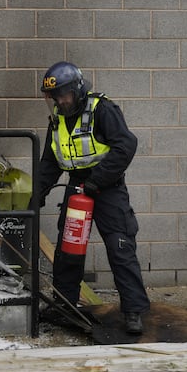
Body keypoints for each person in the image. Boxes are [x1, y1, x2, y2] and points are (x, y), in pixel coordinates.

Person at [36, 61, 149, 334]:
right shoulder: (58, 119)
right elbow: (50, 163)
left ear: (77, 90)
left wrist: (97, 181)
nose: (60, 101)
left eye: (64, 94)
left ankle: (133, 311)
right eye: (55, 96)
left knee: (120, 247)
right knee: (68, 250)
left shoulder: (102, 110)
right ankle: (64, 304)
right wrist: (36, 196)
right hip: (77, 188)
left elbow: (126, 145)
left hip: (107, 188)